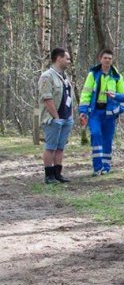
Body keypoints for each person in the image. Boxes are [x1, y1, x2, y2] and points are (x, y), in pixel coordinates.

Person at [78, 49, 124, 176]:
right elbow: (86, 93)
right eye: (105, 58)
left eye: (109, 58)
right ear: (100, 59)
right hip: (95, 112)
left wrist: (119, 110)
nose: (107, 60)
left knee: (107, 139)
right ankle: (97, 167)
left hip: (110, 114)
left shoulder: (117, 76)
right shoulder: (93, 74)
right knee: (95, 135)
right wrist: (83, 111)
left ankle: (106, 166)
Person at [38, 48, 74, 184]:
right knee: (51, 146)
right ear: (59, 58)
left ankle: (58, 173)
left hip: (66, 117)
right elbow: (47, 98)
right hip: (53, 118)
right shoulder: (47, 76)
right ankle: (49, 175)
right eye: (67, 58)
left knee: (60, 147)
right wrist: (56, 117)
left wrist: (69, 116)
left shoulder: (65, 77)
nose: (69, 61)